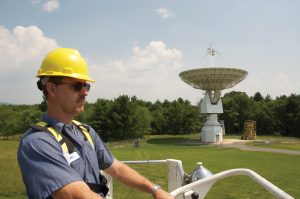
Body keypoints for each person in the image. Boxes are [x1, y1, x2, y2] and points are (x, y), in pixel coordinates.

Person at [17, 48, 174, 199]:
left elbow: (117, 169)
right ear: (51, 89)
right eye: (77, 86)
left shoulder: (85, 132)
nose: (85, 92)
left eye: (86, 86)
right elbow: (76, 196)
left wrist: (155, 189)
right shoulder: (37, 143)